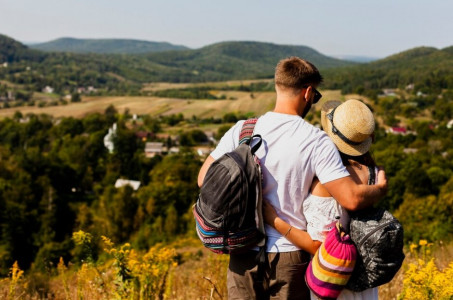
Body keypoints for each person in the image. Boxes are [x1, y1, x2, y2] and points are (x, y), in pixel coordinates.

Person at [197, 57, 387, 300]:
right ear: (308, 92)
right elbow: (350, 199)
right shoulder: (316, 141)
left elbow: (204, 179)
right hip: (290, 256)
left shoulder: (242, 130)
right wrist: (381, 187)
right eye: (315, 96)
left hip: (242, 251)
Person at [263, 99, 380, 299]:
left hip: (335, 281)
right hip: (364, 281)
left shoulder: (325, 185)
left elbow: (318, 246)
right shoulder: (373, 172)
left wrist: (273, 219)